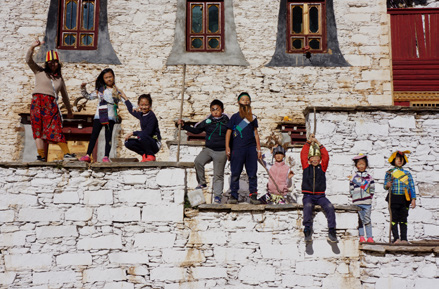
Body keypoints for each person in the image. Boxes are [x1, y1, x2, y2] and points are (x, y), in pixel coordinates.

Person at [26, 38, 76, 161]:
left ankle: (66, 153)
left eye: (54, 62)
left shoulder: (59, 79)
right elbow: (28, 60)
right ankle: (41, 155)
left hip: (50, 104)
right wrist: (32, 47)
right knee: (37, 128)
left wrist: (69, 110)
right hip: (37, 102)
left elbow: (64, 96)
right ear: (46, 63)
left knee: (55, 127)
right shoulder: (39, 71)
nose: (52, 64)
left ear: (58, 63)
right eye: (49, 62)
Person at [177, 99, 229, 204]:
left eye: (217, 109)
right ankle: (202, 182)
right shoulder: (208, 121)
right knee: (198, 161)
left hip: (221, 151)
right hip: (209, 149)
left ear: (222, 110)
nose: (215, 112)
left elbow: (236, 130)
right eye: (213, 110)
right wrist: (184, 126)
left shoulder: (227, 121)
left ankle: (218, 196)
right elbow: (197, 130)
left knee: (218, 175)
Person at [79, 68, 123, 163]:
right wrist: (83, 88)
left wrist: (133, 107)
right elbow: (88, 96)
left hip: (110, 117)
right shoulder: (99, 90)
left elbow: (124, 100)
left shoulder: (117, 92)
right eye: (106, 77)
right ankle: (88, 155)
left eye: (110, 77)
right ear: (103, 79)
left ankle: (106, 156)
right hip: (99, 116)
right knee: (94, 136)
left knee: (108, 137)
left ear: (114, 77)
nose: (109, 79)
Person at [225, 92, 262, 204]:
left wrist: (259, 149)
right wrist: (227, 147)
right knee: (235, 172)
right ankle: (234, 195)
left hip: (251, 149)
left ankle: (253, 195)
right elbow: (229, 132)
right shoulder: (235, 117)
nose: (245, 101)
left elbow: (256, 133)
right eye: (243, 99)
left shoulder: (252, 118)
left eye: (247, 99)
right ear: (238, 102)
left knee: (252, 173)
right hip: (237, 148)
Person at [300, 134, 337, 242]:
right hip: (308, 195)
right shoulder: (306, 167)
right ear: (309, 159)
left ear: (319, 159)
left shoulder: (323, 167)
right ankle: (307, 229)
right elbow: (303, 154)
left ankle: (332, 230)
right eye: (312, 157)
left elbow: (326, 156)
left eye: (317, 158)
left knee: (330, 207)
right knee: (308, 206)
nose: (315, 160)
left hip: (320, 196)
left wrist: (318, 143)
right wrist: (308, 142)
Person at [384, 151, 416, 244]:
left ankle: (404, 239)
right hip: (393, 198)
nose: (399, 160)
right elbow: (384, 186)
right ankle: (396, 238)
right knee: (394, 219)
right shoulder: (390, 172)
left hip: (404, 199)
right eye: (397, 158)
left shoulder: (407, 173)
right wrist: (387, 185)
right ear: (393, 160)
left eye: (401, 159)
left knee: (403, 219)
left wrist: (413, 198)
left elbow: (411, 186)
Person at [123, 93, 161, 162]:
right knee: (127, 142)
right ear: (138, 105)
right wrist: (125, 98)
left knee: (141, 135)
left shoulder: (151, 116)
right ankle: (144, 155)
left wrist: (133, 133)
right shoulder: (141, 114)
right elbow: (131, 110)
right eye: (141, 105)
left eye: (146, 105)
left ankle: (151, 155)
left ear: (150, 105)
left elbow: (148, 132)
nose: (143, 107)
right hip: (145, 140)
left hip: (154, 143)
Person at [349, 154, 375, 243]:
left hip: (367, 202)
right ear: (356, 166)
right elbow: (351, 188)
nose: (361, 166)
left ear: (366, 165)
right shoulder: (354, 177)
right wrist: (353, 196)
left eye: (362, 164)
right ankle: (361, 236)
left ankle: (370, 237)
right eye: (359, 164)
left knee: (367, 219)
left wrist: (370, 196)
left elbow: (372, 188)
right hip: (357, 202)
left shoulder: (369, 177)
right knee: (360, 220)